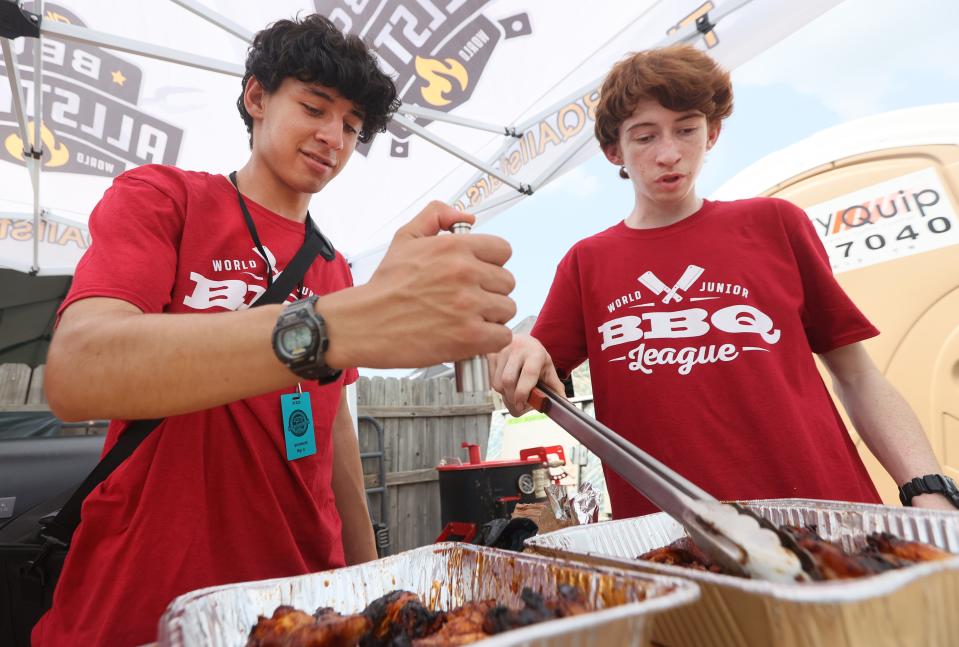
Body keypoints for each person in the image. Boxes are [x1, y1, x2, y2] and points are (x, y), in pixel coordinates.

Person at [34, 15, 514, 647]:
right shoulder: (165, 199)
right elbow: (80, 369)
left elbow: (333, 423)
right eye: (314, 108)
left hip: (301, 598)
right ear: (256, 97)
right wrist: (330, 325)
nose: (332, 138)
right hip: (144, 593)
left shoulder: (334, 267)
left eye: (350, 126)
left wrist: (367, 576)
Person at [488, 44, 957, 521]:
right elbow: (531, 381)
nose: (669, 153)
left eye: (686, 129)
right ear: (615, 151)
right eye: (645, 137)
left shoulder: (775, 224)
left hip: (826, 513)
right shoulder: (587, 263)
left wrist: (926, 486)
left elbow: (857, 376)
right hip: (677, 540)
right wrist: (516, 350)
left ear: (712, 133)